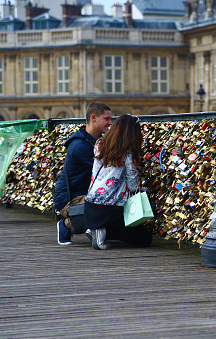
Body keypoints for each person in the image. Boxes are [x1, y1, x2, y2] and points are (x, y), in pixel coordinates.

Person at [84, 114, 153, 250]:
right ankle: (104, 231)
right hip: (109, 210)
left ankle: (96, 229)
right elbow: (133, 185)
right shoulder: (128, 153)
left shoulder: (99, 144)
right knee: (145, 239)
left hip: (90, 205)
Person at [54, 102, 113, 245]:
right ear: (93, 117)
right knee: (106, 205)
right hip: (69, 198)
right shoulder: (80, 146)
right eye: (106, 119)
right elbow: (104, 172)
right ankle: (67, 224)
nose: (110, 123)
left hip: (82, 194)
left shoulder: (92, 140)